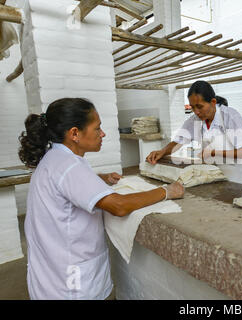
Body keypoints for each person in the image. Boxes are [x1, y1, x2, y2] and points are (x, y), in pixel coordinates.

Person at [18, 98, 184, 300]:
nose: (103, 134)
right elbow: (118, 206)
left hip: (51, 274)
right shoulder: (70, 166)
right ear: (74, 133)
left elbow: (65, 186)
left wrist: (99, 179)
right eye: (97, 129)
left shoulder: (55, 158)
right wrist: (166, 191)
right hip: (70, 283)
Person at [146, 80, 242, 187]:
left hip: (238, 181)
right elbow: (178, 142)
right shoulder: (194, 121)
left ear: (213, 102)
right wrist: (162, 152)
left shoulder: (230, 116)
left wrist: (213, 152)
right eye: (192, 107)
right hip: (214, 179)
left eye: (199, 106)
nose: (196, 112)